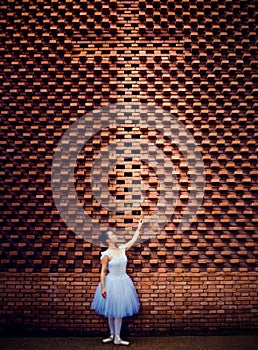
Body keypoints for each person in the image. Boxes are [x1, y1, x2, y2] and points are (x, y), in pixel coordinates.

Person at [90, 217, 145, 346]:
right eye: (112, 235)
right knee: (111, 310)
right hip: (111, 283)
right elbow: (103, 271)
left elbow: (133, 240)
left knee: (118, 311)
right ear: (108, 240)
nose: (115, 236)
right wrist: (103, 287)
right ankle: (112, 335)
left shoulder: (122, 248)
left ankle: (118, 337)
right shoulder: (106, 254)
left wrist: (139, 227)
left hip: (123, 282)